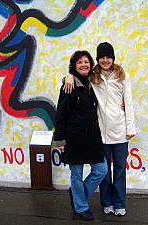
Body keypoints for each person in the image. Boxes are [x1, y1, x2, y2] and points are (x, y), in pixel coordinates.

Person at [64, 42, 136, 216]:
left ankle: (119, 203)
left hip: (119, 131)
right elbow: (77, 75)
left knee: (119, 170)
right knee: (104, 171)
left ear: (113, 58)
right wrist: (68, 76)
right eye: (101, 57)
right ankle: (107, 202)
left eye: (108, 57)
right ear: (97, 59)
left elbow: (129, 102)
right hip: (100, 134)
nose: (105, 60)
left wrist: (130, 128)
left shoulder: (122, 75)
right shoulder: (93, 76)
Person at [53, 50, 107, 221]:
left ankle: (77, 196)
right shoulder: (68, 85)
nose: (84, 64)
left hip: (92, 137)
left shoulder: (94, 83)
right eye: (79, 62)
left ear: (91, 64)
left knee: (101, 169)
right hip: (74, 138)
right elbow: (61, 114)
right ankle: (82, 207)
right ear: (74, 66)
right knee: (76, 174)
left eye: (86, 61)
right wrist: (60, 140)